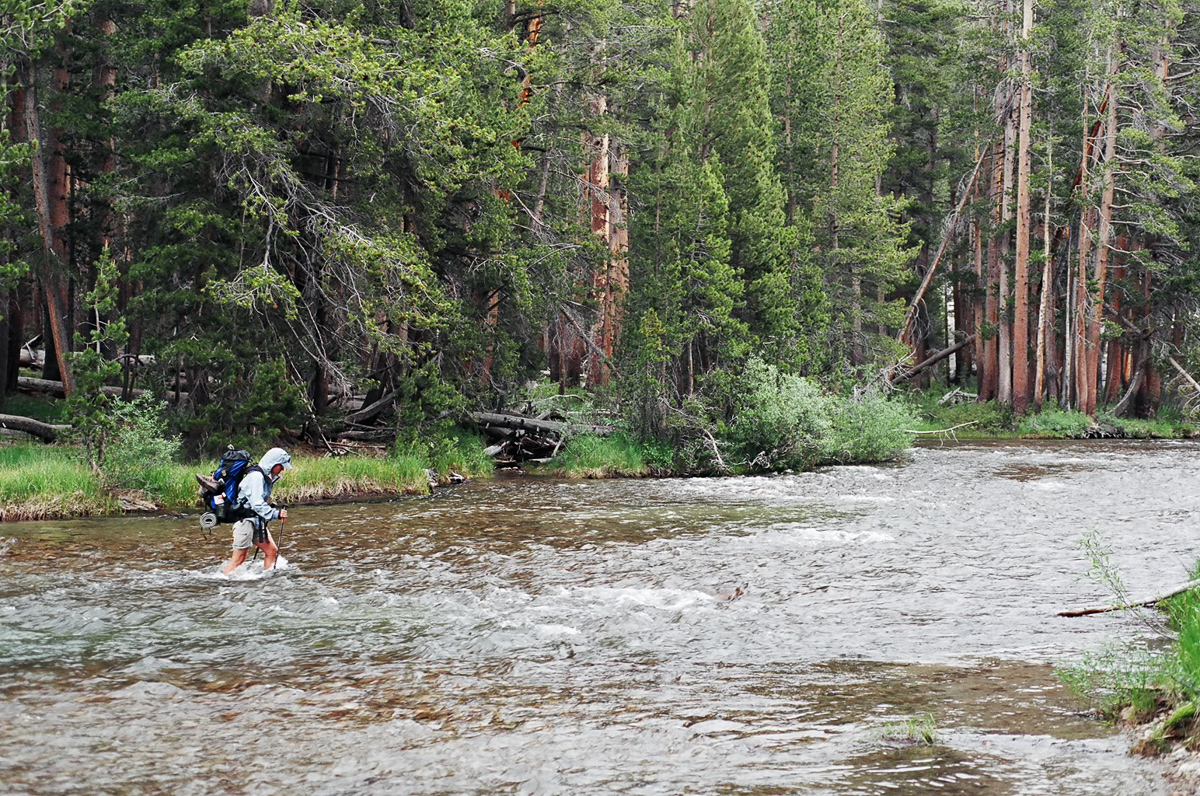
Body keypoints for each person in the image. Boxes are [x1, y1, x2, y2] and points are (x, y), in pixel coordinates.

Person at [221, 447, 292, 574]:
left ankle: (267, 583)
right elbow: (257, 503)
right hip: (245, 521)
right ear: (273, 463)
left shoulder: (264, 477)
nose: (282, 469)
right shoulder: (256, 477)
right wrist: (275, 514)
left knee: (272, 552)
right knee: (239, 560)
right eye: (281, 466)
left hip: (257, 521)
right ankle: (224, 584)